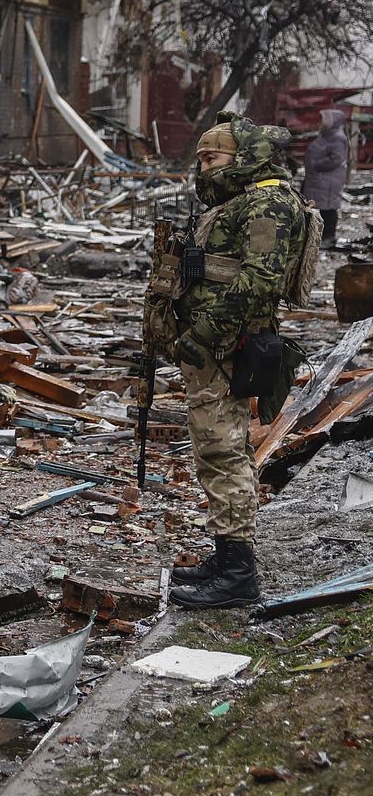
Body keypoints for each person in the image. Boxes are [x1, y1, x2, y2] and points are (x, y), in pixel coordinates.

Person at [165, 114, 309, 609]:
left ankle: (238, 574)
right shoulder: (240, 200)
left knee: (223, 452)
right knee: (219, 450)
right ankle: (227, 557)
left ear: (242, 157)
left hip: (226, 347)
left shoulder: (267, 201)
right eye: (201, 158)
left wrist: (201, 335)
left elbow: (260, 281)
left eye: (214, 158)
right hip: (217, 347)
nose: (204, 168)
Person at [302, 108, 350, 246]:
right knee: (318, 208)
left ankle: (328, 238)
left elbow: (336, 158)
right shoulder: (327, 135)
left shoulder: (337, 138)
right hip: (319, 179)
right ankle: (319, 237)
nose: (321, 122)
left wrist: (316, 165)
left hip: (328, 181)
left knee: (328, 209)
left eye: (324, 119)